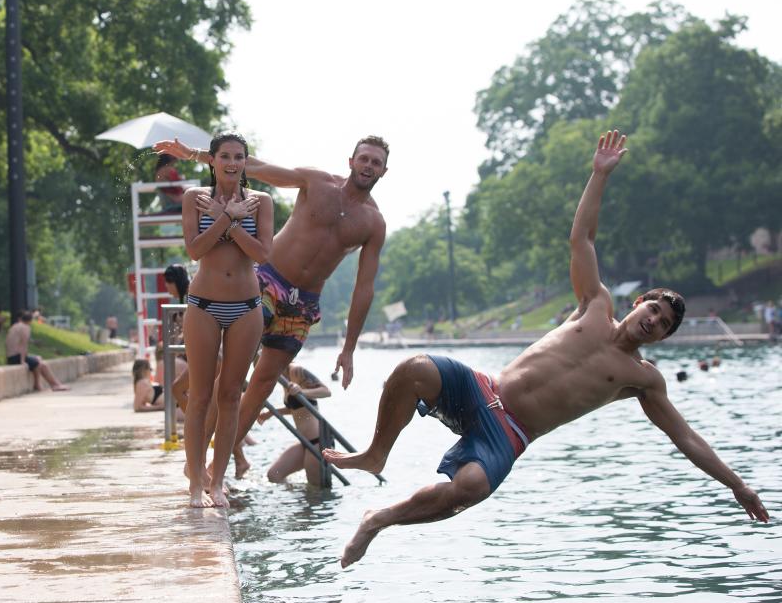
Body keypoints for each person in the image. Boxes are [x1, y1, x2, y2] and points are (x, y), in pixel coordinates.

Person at [322, 131, 769, 568]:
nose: (653, 320)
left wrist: (737, 486)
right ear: (639, 304)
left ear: (662, 337)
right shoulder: (595, 306)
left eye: (663, 325)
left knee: (471, 488)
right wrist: (599, 175)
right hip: (483, 390)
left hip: (511, 433)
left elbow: (685, 437)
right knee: (415, 368)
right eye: (653, 309)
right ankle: (377, 451)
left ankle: (377, 520)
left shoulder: (644, 379)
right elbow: (583, 240)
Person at [154, 134, 388, 471]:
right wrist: (194, 154)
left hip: (303, 305)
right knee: (233, 377)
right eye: (363, 159)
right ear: (351, 161)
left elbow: (364, 287)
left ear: (383, 171)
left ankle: (212, 468)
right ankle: (198, 458)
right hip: (266, 280)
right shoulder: (316, 182)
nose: (368, 166)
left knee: (262, 385)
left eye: (375, 162)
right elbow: (256, 167)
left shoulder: (373, 223)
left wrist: (349, 347)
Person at [172, 132, 274, 508]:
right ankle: (196, 482)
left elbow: (263, 254)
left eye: (239, 156)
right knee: (200, 396)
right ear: (211, 161)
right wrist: (226, 217)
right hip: (203, 306)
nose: (232, 162)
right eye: (225, 156)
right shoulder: (194, 199)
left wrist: (229, 223)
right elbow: (196, 250)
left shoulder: (261, 202)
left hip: (247, 307)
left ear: (245, 162)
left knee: (230, 396)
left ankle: (218, 482)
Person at [256, 363, 332, 485]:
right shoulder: (282, 377)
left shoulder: (297, 371)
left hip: (317, 442)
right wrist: (270, 413)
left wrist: (302, 391)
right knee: (274, 475)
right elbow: (297, 408)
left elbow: (326, 391)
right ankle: (296, 495)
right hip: (304, 443)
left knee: (315, 494)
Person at [5, 311, 70, 392]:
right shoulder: (25, 327)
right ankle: (45, 385)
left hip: (11, 357)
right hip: (16, 357)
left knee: (39, 359)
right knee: (39, 363)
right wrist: (22, 361)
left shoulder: (15, 326)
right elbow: (23, 345)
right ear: (30, 321)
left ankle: (54, 384)